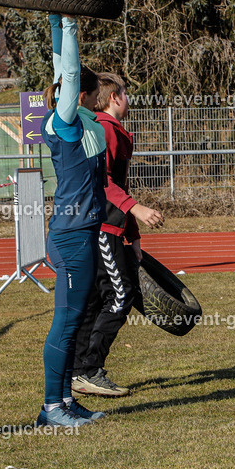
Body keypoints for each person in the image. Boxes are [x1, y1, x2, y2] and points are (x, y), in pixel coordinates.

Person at [71, 72, 163, 397]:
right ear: (114, 98)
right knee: (121, 295)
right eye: (125, 92)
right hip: (100, 229)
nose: (128, 98)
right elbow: (102, 182)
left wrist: (134, 235)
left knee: (96, 300)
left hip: (113, 228)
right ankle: (89, 369)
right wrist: (136, 209)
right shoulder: (103, 130)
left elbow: (120, 186)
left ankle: (79, 371)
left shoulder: (116, 131)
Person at [37, 14, 108, 427]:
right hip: (72, 237)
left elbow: (59, 66)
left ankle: (64, 401)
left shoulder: (80, 120)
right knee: (66, 323)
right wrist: (69, 24)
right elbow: (68, 70)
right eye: (92, 92)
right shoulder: (64, 123)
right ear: (80, 93)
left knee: (76, 318)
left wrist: (53, 18)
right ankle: (51, 409)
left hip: (82, 232)